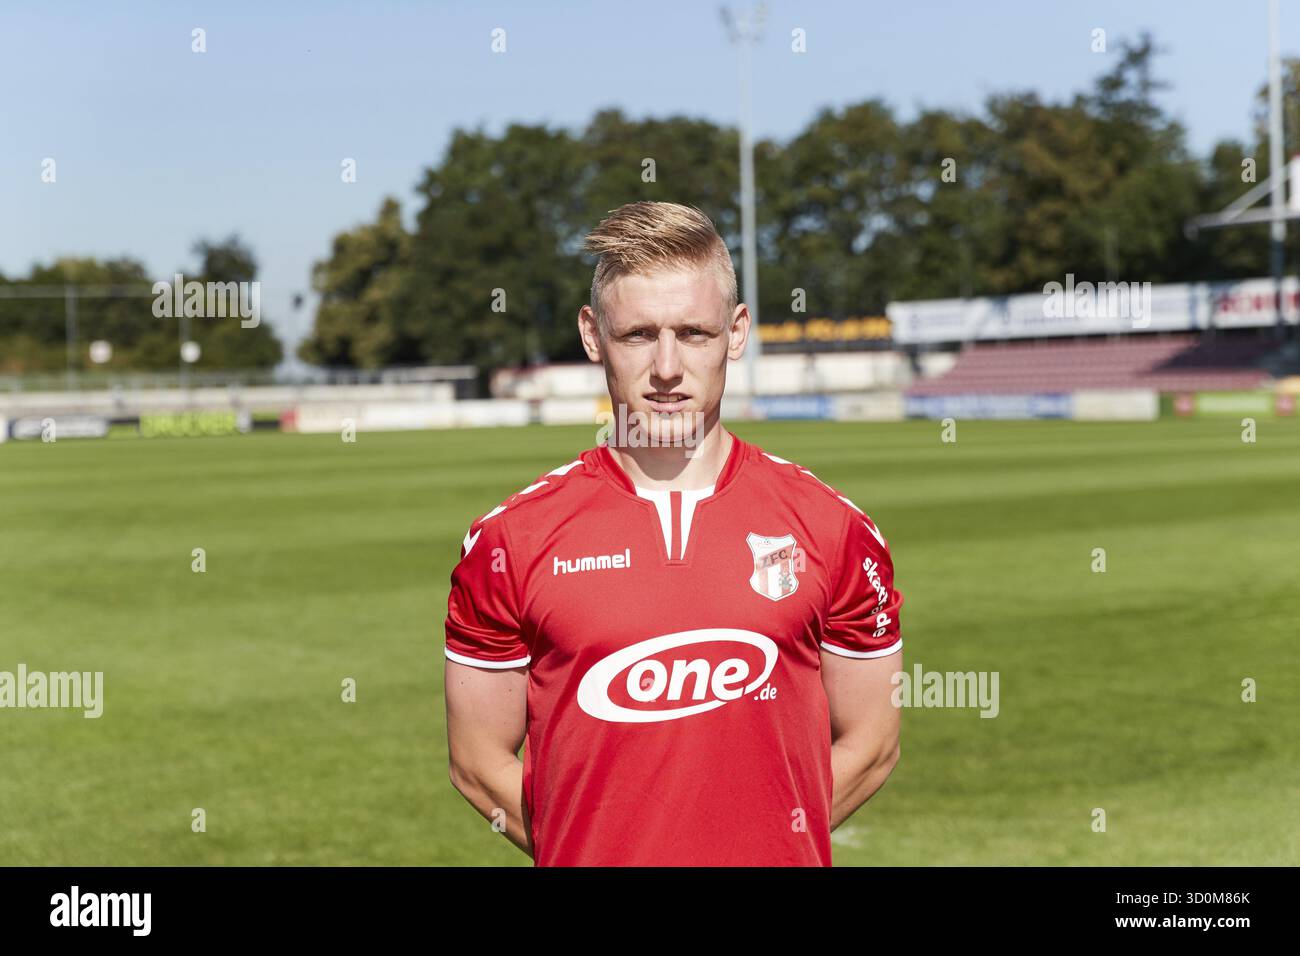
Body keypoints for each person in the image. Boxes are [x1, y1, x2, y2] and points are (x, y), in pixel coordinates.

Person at [443, 200, 902, 866]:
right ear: (593, 335)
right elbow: (477, 762)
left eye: (693, 332)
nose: (665, 367)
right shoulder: (509, 541)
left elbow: (873, 743)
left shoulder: (835, 529)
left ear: (736, 332)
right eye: (637, 335)